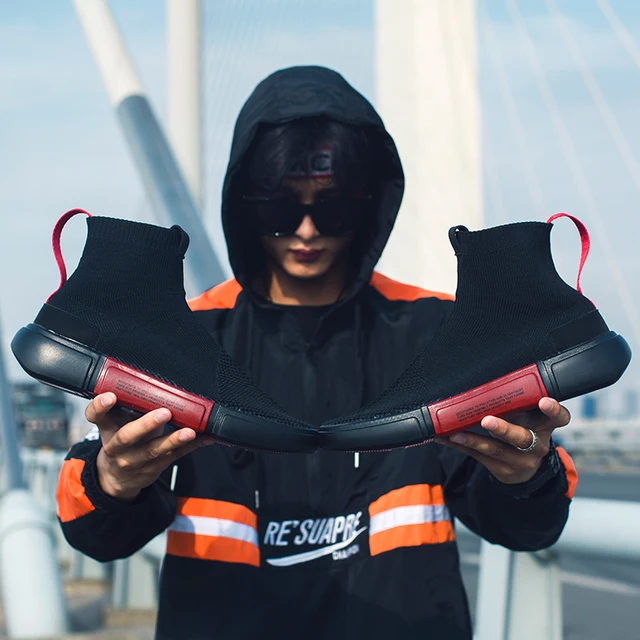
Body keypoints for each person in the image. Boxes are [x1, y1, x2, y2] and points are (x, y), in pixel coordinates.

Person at [56, 66, 577, 640]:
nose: (307, 231)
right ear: (246, 207)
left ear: (370, 206)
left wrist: (529, 473)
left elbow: (526, 528)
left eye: (334, 209)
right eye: (281, 209)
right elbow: (97, 538)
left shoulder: (441, 331)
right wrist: (112, 478)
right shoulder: (185, 338)